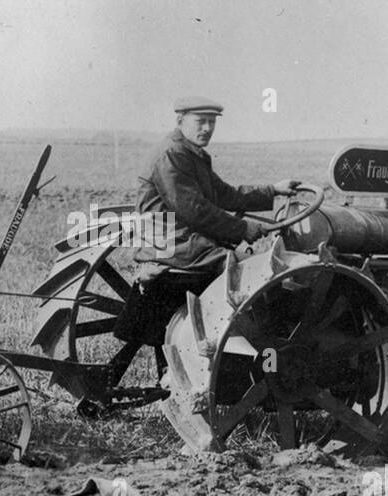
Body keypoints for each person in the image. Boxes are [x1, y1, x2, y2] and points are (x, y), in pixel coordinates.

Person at [113, 96, 300, 361]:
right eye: (201, 121)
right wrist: (243, 228)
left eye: (212, 122)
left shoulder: (188, 153)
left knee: (247, 265)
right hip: (173, 244)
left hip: (179, 239)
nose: (207, 128)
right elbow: (195, 210)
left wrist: (273, 190)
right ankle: (262, 354)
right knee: (251, 270)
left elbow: (224, 194)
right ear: (180, 121)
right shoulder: (172, 155)